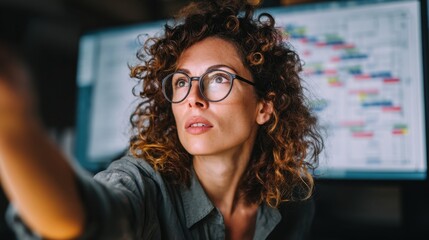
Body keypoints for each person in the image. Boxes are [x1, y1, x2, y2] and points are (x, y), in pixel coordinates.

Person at [0, 0, 324, 239]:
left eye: (218, 79)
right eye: (182, 82)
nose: (194, 98)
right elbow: (85, 219)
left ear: (264, 108)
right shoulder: (145, 184)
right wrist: (14, 126)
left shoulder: (292, 195)